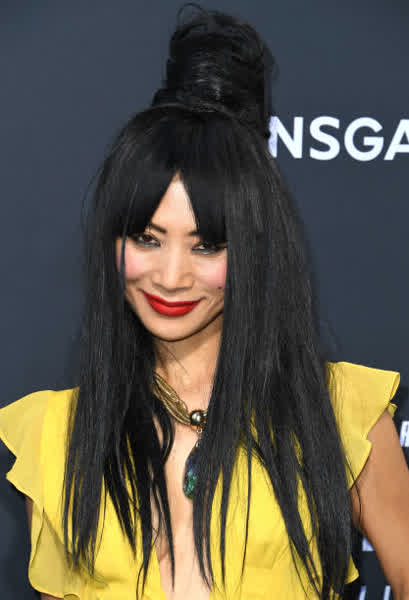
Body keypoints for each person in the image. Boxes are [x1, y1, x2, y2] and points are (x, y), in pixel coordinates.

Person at [0, 4, 408, 600]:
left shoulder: (342, 414)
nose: (170, 277)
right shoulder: (56, 436)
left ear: (255, 251)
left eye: (207, 245)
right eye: (147, 238)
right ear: (112, 240)